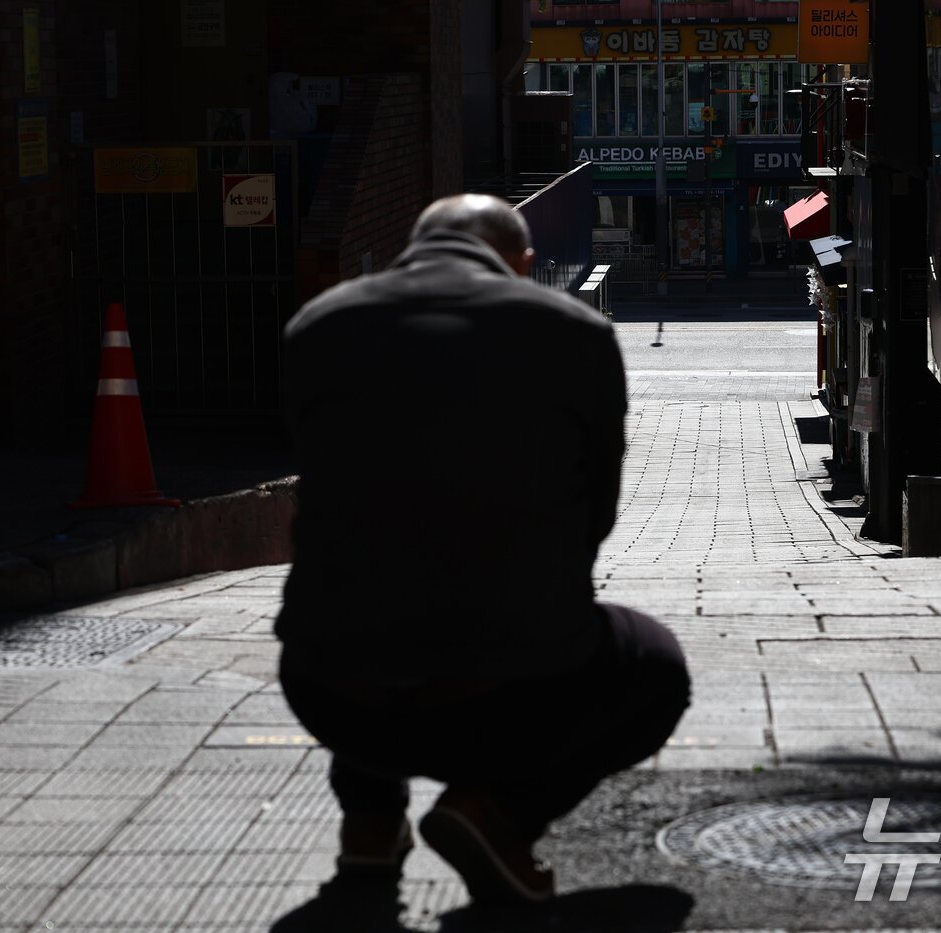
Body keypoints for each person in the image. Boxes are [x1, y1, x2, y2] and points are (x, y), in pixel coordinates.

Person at [276, 194, 690, 905]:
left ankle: (370, 824)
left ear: (413, 246)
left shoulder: (318, 325)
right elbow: (597, 512)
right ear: (523, 264)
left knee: (365, 578)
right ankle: (495, 813)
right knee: (656, 667)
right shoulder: (577, 333)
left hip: (329, 685)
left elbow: (326, 495)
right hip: (512, 690)